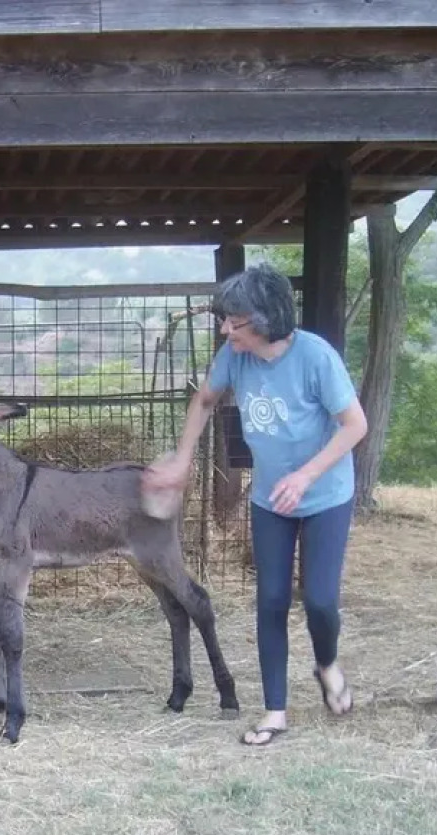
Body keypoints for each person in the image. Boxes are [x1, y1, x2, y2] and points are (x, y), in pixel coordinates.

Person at [144, 263, 368, 746]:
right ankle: (274, 711)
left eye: (235, 320)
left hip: (325, 494)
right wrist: (182, 460)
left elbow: (355, 425)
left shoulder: (316, 359)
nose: (226, 329)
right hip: (271, 499)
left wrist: (307, 475)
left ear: (266, 320)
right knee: (270, 599)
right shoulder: (234, 355)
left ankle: (326, 663)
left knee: (320, 600)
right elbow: (204, 402)